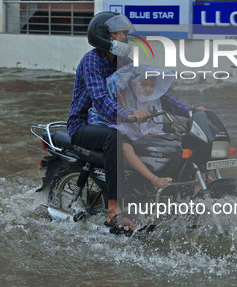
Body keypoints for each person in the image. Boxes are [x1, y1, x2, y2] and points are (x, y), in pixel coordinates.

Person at [67, 12, 192, 233]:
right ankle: (114, 212)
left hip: (115, 123)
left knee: (165, 140)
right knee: (114, 139)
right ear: (103, 35)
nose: (124, 37)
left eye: (125, 33)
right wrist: (128, 115)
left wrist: (189, 111)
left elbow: (155, 93)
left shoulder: (124, 62)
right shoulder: (91, 61)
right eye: (119, 33)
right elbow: (101, 99)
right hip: (85, 125)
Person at [88, 65, 175, 189]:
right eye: (144, 85)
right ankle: (153, 179)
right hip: (109, 124)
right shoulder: (122, 93)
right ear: (134, 83)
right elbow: (116, 112)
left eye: (152, 85)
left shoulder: (149, 99)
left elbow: (152, 120)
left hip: (130, 127)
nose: (148, 89)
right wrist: (131, 116)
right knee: (125, 147)